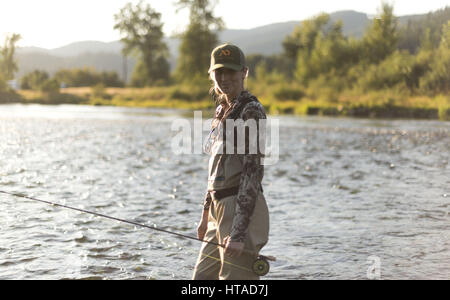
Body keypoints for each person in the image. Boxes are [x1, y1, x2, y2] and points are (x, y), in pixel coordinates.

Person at [192, 43, 270, 280]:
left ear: (244, 72)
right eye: (219, 72)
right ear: (211, 74)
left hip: (239, 209)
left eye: (231, 72)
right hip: (218, 210)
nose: (224, 78)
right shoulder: (220, 110)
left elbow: (252, 173)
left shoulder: (251, 110)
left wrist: (238, 233)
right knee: (201, 281)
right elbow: (215, 168)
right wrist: (206, 215)